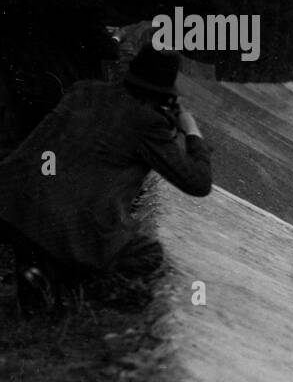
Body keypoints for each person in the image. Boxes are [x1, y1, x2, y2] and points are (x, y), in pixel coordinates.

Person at [0, 44, 211, 312]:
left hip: (12, 204)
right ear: (163, 92)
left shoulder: (84, 91)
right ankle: (63, 292)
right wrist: (192, 132)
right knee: (147, 254)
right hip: (63, 227)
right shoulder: (148, 124)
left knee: (60, 221)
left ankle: (41, 273)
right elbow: (199, 183)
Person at [1, 0, 120, 154]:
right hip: (69, 94)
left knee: (29, 151)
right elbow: (106, 51)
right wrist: (116, 39)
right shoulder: (90, 3)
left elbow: (11, 34)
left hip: (29, 87)